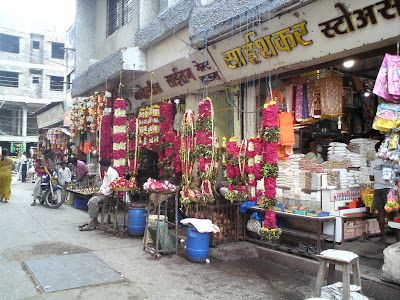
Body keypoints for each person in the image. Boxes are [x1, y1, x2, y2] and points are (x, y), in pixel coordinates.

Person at [79, 157, 119, 231]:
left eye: (101, 166)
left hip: (110, 195)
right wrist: (99, 192)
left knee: (93, 201)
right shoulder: (107, 172)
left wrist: (101, 193)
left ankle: (94, 221)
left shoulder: (113, 173)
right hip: (105, 193)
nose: (100, 167)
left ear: (103, 166)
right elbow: (104, 185)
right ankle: (94, 219)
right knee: (91, 200)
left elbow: (112, 188)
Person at [370, 141, 393, 243]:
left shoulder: (374, 163)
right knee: (393, 212)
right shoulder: (391, 162)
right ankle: (396, 237)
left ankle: (383, 236)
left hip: (378, 188)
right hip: (389, 189)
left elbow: (371, 178)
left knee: (380, 212)